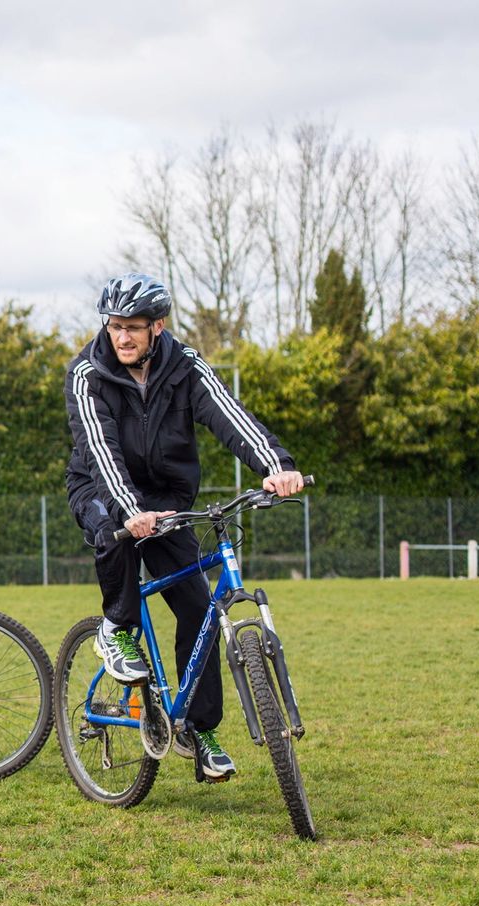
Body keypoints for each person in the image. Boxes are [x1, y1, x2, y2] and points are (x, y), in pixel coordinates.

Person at [64, 273, 305, 782]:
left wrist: (274, 465)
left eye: (132, 328)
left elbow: (229, 415)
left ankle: (200, 731)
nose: (121, 338)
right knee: (116, 531)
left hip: (169, 499)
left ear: (158, 327)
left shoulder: (185, 367)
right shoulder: (88, 374)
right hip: (101, 486)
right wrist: (130, 509)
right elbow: (100, 449)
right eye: (114, 327)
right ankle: (115, 630)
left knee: (197, 607)